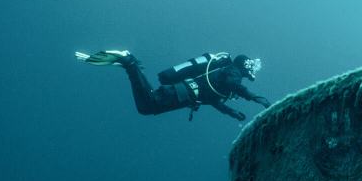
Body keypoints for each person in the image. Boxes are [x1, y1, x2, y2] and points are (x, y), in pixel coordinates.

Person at [75, 49, 271, 121]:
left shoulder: (225, 74)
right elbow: (234, 85)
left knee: (147, 106)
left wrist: (231, 112)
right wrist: (255, 98)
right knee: (147, 105)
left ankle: (130, 65)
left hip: (185, 94)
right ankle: (129, 62)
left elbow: (212, 99)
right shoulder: (233, 72)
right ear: (245, 67)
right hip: (183, 92)